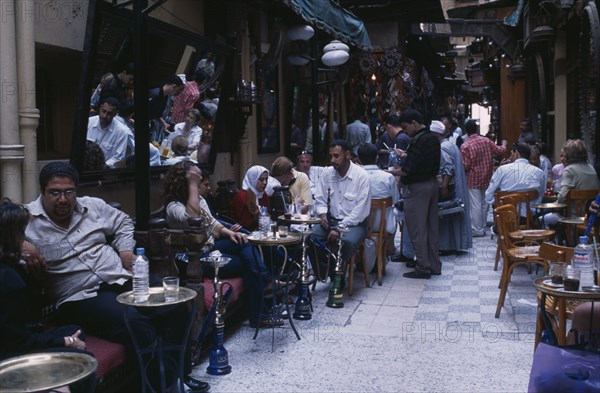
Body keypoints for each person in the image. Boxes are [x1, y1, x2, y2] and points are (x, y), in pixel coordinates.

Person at [21, 162, 210, 393]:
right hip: (79, 296)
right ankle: (163, 387)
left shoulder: (92, 206)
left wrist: (125, 250)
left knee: (176, 302)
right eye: (55, 193)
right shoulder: (26, 218)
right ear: (43, 192)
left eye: (69, 192)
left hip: (119, 277)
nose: (63, 199)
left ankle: (180, 377)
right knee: (136, 322)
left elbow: (122, 222)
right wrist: (21, 243)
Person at [0, 198, 96, 393]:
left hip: (17, 338)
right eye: (21, 232)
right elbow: (18, 341)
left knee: (74, 329)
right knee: (84, 362)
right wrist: (64, 342)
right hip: (9, 355)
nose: (25, 238)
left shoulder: (10, 267)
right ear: (11, 236)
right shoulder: (8, 279)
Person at [163, 162, 271, 328]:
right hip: (195, 258)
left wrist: (232, 233)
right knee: (249, 263)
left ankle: (263, 280)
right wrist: (192, 184)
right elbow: (193, 220)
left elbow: (214, 224)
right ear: (185, 183)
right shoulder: (173, 207)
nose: (201, 183)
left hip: (212, 246)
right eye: (196, 180)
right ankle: (261, 307)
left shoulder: (199, 200)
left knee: (245, 241)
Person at [311, 140, 371, 286]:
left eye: (336, 156)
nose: (332, 160)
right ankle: (327, 271)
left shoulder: (361, 176)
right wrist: (323, 214)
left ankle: (338, 276)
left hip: (355, 224)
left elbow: (360, 211)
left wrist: (339, 229)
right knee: (310, 238)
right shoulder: (327, 174)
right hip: (331, 222)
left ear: (348, 155)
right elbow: (320, 198)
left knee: (347, 242)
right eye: (331, 156)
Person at [397, 109, 441, 279]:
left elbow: (408, 171)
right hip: (432, 184)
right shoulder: (432, 138)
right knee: (431, 228)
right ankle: (434, 265)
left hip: (418, 188)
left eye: (406, 127)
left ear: (414, 123)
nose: (405, 131)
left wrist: (391, 173)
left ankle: (422, 266)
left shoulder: (417, 140)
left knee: (417, 229)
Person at [430, 120, 472, 253]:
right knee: (451, 217)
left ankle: (446, 245)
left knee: (445, 215)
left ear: (436, 135)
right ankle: (451, 244)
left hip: (447, 186)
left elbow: (447, 168)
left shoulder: (442, 147)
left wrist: (444, 187)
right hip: (454, 185)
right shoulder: (450, 144)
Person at [460, 119, 508, 237]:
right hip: (487, 176)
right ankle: (481, 226)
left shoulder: (465, 146)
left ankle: (477, 229)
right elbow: (500, 150)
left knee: (475, 204)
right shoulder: (486, 141)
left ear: (466, 131)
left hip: (473, 177)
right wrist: (504, 144)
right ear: (476, 129)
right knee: (484, 203)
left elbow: (466, 165)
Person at [542, 139, 600, 226]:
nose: (562, 158)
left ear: (569, 155)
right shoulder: (591, 168)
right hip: (591, 215)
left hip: (572, 216)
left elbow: (561, 198)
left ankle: (551, 239)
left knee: (542, 218)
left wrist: (556, 204)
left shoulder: (569, 170)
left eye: (564, 155)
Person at [485, 143, 546, 222]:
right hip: (528, 218)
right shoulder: (539, 172)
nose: (510, 156)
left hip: (505, 219)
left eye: (511, 154)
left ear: (516, 153)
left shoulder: (502, 170)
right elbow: (541, 195)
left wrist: (499, 204)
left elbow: (488, 196)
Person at [357, 143, 400, 256]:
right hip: (384, 225)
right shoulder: (388, 177)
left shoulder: (355, 177)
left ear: (359, 159)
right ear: (376, 157)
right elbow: (395, 200)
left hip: (361, 224)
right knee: (395, 211)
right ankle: (388, 249)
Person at [86, 96, 130, 168]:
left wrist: (101, 167)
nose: (105, 116)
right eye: (103, 111)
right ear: (100, 108)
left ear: (115, 114)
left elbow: (117, 158)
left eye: (109, 113)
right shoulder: (88, 122)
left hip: (105, 171)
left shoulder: (122, 132)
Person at [231, 166, 271, 231]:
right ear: (253, 179)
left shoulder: (264, 195)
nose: (265, 182)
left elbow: (268, 214)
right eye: (261, 179)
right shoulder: (241, 196)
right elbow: (240, 223)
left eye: (266, 179)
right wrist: (256, 218)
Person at [148, 75, 185, 142]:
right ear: (174, 87)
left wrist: (164, 124)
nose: (177, 93)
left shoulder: (165, 97)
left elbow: (157, 115)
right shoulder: (155, 94)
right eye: (178, 91)